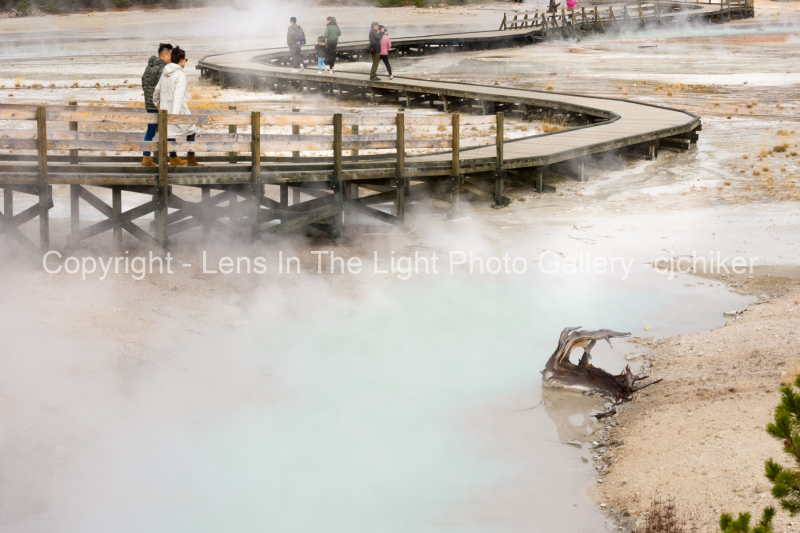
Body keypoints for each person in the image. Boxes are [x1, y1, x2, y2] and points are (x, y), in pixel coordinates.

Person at [152, 47, 202, 167]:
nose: (185, 61)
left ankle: (169, 160)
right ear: (181, 60)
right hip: (178, 111)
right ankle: (191, 160)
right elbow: (178, 97)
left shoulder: (165, 73)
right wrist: (175, 116)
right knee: (192, 130)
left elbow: (156, 91)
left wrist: (157, 104)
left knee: (168, 134)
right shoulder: (180, 75)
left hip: (164, 110)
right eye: (186, 59)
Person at [140, 43, 172, 167]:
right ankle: (165, 158)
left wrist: (150, 99)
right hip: (159, 106)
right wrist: (160, 103)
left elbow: (144, 82)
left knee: (151, 131)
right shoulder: (162, 68)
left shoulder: (149, 67)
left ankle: (146, 157)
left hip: (149, 105)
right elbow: (163, 87)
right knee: (166, 131)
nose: (171, 58)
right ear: (164, 55)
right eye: (170, 55)